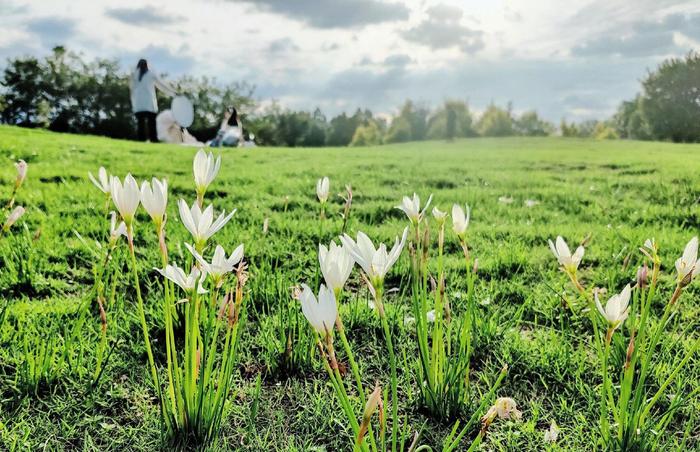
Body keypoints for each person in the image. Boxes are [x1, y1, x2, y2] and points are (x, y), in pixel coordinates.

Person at [129, 59, 177, 142]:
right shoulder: (150, 74)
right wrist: (173, 92)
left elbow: (131, 90)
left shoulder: (134, 75)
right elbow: (161, 85)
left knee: (141, 123)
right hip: (149, 103)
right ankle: (153, 139)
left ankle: (141, 140)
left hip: (138, 104)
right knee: (151, 123)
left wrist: (133, 102)